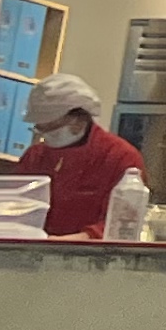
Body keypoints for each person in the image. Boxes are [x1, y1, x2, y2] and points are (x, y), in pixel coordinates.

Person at [25, 72, 143, 240]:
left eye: (52, 129)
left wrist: (72, 241)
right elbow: (16, 207)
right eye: (40, 129)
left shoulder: (121, 158)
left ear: (78, 121)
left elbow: (123, 225)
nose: (45, 137)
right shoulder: (35, 157)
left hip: (93, 254)